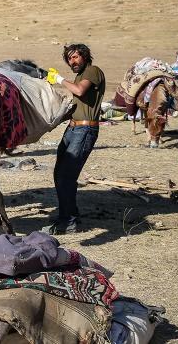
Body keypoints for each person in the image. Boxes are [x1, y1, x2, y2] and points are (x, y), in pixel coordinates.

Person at [43, 44, 105, 234]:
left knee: (66, 176)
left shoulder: (93, 71)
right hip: (73, 128)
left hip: (85, 130)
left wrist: (59, 78)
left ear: (85, 57)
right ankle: (70, 216)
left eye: (76, 57)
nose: (73, 61)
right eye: (70, 58)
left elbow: (79, 91)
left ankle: (68, 222)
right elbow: (76, 105)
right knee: (60, 174)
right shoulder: (79, 77)